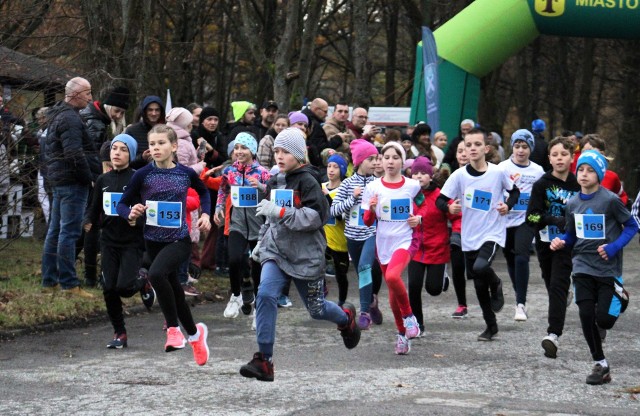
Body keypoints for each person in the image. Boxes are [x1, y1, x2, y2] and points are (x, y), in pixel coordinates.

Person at [240, 127, 361, 382]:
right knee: (265, 295)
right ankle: (265, 360)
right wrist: (261, 242)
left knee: (316, 310)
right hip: (276, 252)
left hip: (306, 257)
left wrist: (281, 213)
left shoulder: (309, 181)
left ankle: (346, 318)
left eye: (285, 152)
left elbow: (317, 218)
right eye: (276, 151)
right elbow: (268, 216)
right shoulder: (273, 181)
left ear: (298, 153)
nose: (279, 156)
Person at [117, 124, 211, 366]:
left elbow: (204, 192)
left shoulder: (185, 173)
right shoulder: (142, 174)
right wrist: (131, 212)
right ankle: (195, 334)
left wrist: (206, 215)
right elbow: (122, 203)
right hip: (152, 240)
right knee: (175, 293)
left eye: (161, 143)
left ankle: (173, 330)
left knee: (157, 274)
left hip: (179, 239)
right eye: (152, 144)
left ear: (174, 146)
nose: (156, 148)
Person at [550, 150, 635, 385]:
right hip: (582, 265)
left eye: (590, 170)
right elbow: (571, 234)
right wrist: (561, 241)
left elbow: (631, 226)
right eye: (581, 170)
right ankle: (601, 364)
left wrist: (614, 247)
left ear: (599, 175)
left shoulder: (609, 200)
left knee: (604, 320)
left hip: (607, 268)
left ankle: (620, 294)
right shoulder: (573, 203)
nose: (584, 174)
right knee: (586, 315)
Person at [437, 128, 520, 341]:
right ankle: (491, 326)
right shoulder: (459, 176)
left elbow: (515, 192)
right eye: (468, 145)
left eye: (476, 144)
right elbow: (440, 199)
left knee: (481, 268)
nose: (472, 148)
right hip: (469, 236)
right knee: (479, 284)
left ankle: (497, 283)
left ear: (486, 148)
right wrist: (449, 208)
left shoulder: (497, 172)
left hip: (493, 232)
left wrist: (507, 206)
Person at [83, 134, 155, 348]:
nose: (117, 153)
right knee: (109, 288)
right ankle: (120, 332)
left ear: (131, 155)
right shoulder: (103, 180)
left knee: (124, 287)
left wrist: (137, 218)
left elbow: (147, 211)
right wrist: (87, 221)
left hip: (132, 241)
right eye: (115, 148)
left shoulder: (138, 179)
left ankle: (143, 278)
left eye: (123, 149)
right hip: (109, 241)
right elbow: (95, 208)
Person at [41, 77, 99, 298]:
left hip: (59, 180)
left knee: (55, 231)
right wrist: (89, 178)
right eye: (87, 93)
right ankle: (68, 283)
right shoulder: (70, 119)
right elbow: (74, 153)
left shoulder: (58, 115)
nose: (90, 97)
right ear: (75, 94)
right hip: (72, 182)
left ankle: (49, 281)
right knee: (69, 233)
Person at [361, 141, 421, 354]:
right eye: (386, 157)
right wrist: (372, 209)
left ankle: (409, 318)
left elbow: (424, 210)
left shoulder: (413, 186)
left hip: (405, 240)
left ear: (402, 161)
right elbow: (367, 221)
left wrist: (418, 219)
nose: (390, 161)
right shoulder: (372, 188)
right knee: (392, 294)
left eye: (395, 158)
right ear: (380, 161)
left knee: (394, 278)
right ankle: (402, 334)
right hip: (383, 242)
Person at [525, 136, 579, 359]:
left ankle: (553, 335)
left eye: (564, 154)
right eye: (555, 155)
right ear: (549, 158)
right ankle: (563, 296)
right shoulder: (542, 184)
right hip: (545, 243)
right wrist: (553, 220)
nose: (559, 158)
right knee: (551, 284)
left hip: (567, 244)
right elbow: (531, 216)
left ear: (571, 157)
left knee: (557, 284)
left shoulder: (578, 185)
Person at [214, 132, 270, 326]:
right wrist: (219, 207)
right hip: (237, 224)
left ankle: (258, 309)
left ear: (252, 151)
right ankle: (236, 296)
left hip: (258, 226)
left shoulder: (262, 172)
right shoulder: (229, 171)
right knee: (234, 258)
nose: (239, 151)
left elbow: (272, 193)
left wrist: (261, 187)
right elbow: (222, 189)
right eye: (236, 148)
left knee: (257, 269)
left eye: (243, 148)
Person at [78, 86, 130, 287]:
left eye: (122, 112)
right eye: (117, 111)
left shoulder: (94, 116)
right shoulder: (96, 123)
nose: (118, 115)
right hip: (94, 178)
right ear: (108, 107)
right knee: (91, 224)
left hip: (94, 177)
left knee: (88, 224)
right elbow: (89, 153)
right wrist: (94, 177)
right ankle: (90, 274)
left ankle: (76, 268)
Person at [330, 139, 383, 329]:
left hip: (371, 232)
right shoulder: (347, 184)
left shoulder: (378, 183)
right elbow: (334, 211)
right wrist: (352, 197)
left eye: (377, 159)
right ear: (360, 161)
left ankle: (364, 313)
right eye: (371, 159)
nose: (375, 162)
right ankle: (372, 303)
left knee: (364, 267)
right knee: (364, 273)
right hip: (352, 236)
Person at [498, 129, 544, 321]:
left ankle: (520, 304)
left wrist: (537, 219)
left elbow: (542, 197)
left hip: (528, 220)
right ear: (512, 147)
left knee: (522, 256)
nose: (520, 150)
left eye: (525, 147)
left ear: (530, 149)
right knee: (510, 258)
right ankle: (520, 295)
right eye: (517, 146)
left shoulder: (538, 171)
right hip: (505, 219)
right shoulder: (502, 168)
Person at [408, 156, 457, 333]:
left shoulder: (440, 196)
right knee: (413, 286)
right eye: (415, 173)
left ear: (431, 176)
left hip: (437, 248)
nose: (419, 177)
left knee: (434, 289)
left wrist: (454, 211)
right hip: (414, 248)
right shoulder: (407, 194)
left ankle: (442, 277)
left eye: (423, 173)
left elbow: (455, 215)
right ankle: (417, 324)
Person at [191, 106, 227, 271]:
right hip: (197, 181)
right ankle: (193, 260)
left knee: (214, 220)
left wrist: (212, 151)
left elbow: (224, 158)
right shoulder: (194, 135)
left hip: (215, 182)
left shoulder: (219, 137)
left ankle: (207, 259)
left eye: (215, 119)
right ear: (202, 121)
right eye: (209, 119)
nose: (212, 123)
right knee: (195, 220)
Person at [322, 153, 350, 306]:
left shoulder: (344, 191)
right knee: (317, 266)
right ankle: (321, 288)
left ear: (343, 170)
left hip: (340, 242)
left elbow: (340, 216)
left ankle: (342, 303)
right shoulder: (320, 187)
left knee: (341, 275)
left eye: (335, 167)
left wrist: (327, 197)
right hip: (322, 238)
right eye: (329, 166)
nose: (331, 170)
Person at [579, 134, 628, 206]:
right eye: (584, 152)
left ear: (602, 154)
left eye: (592, 152)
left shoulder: (611, 177)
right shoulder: (578, 177)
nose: (588, 155)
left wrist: (615, 210)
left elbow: (622, 196)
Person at [449, 140, 469, 318]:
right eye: (460, 151)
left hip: (479, 228)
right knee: (457, 266)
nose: (463, 154)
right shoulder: (451, 176)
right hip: (457, 228)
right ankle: (461, 304)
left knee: (475, 269)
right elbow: (441, 200)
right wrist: (450, 207)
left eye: (467, 150)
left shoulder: (486, 174)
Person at [125, 95, 165, 169]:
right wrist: (142, 157)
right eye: (150, 110)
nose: (154, 113)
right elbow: (125, 160)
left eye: (157, 110)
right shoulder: (132, 131)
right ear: (144, 111)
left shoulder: (166, 131)